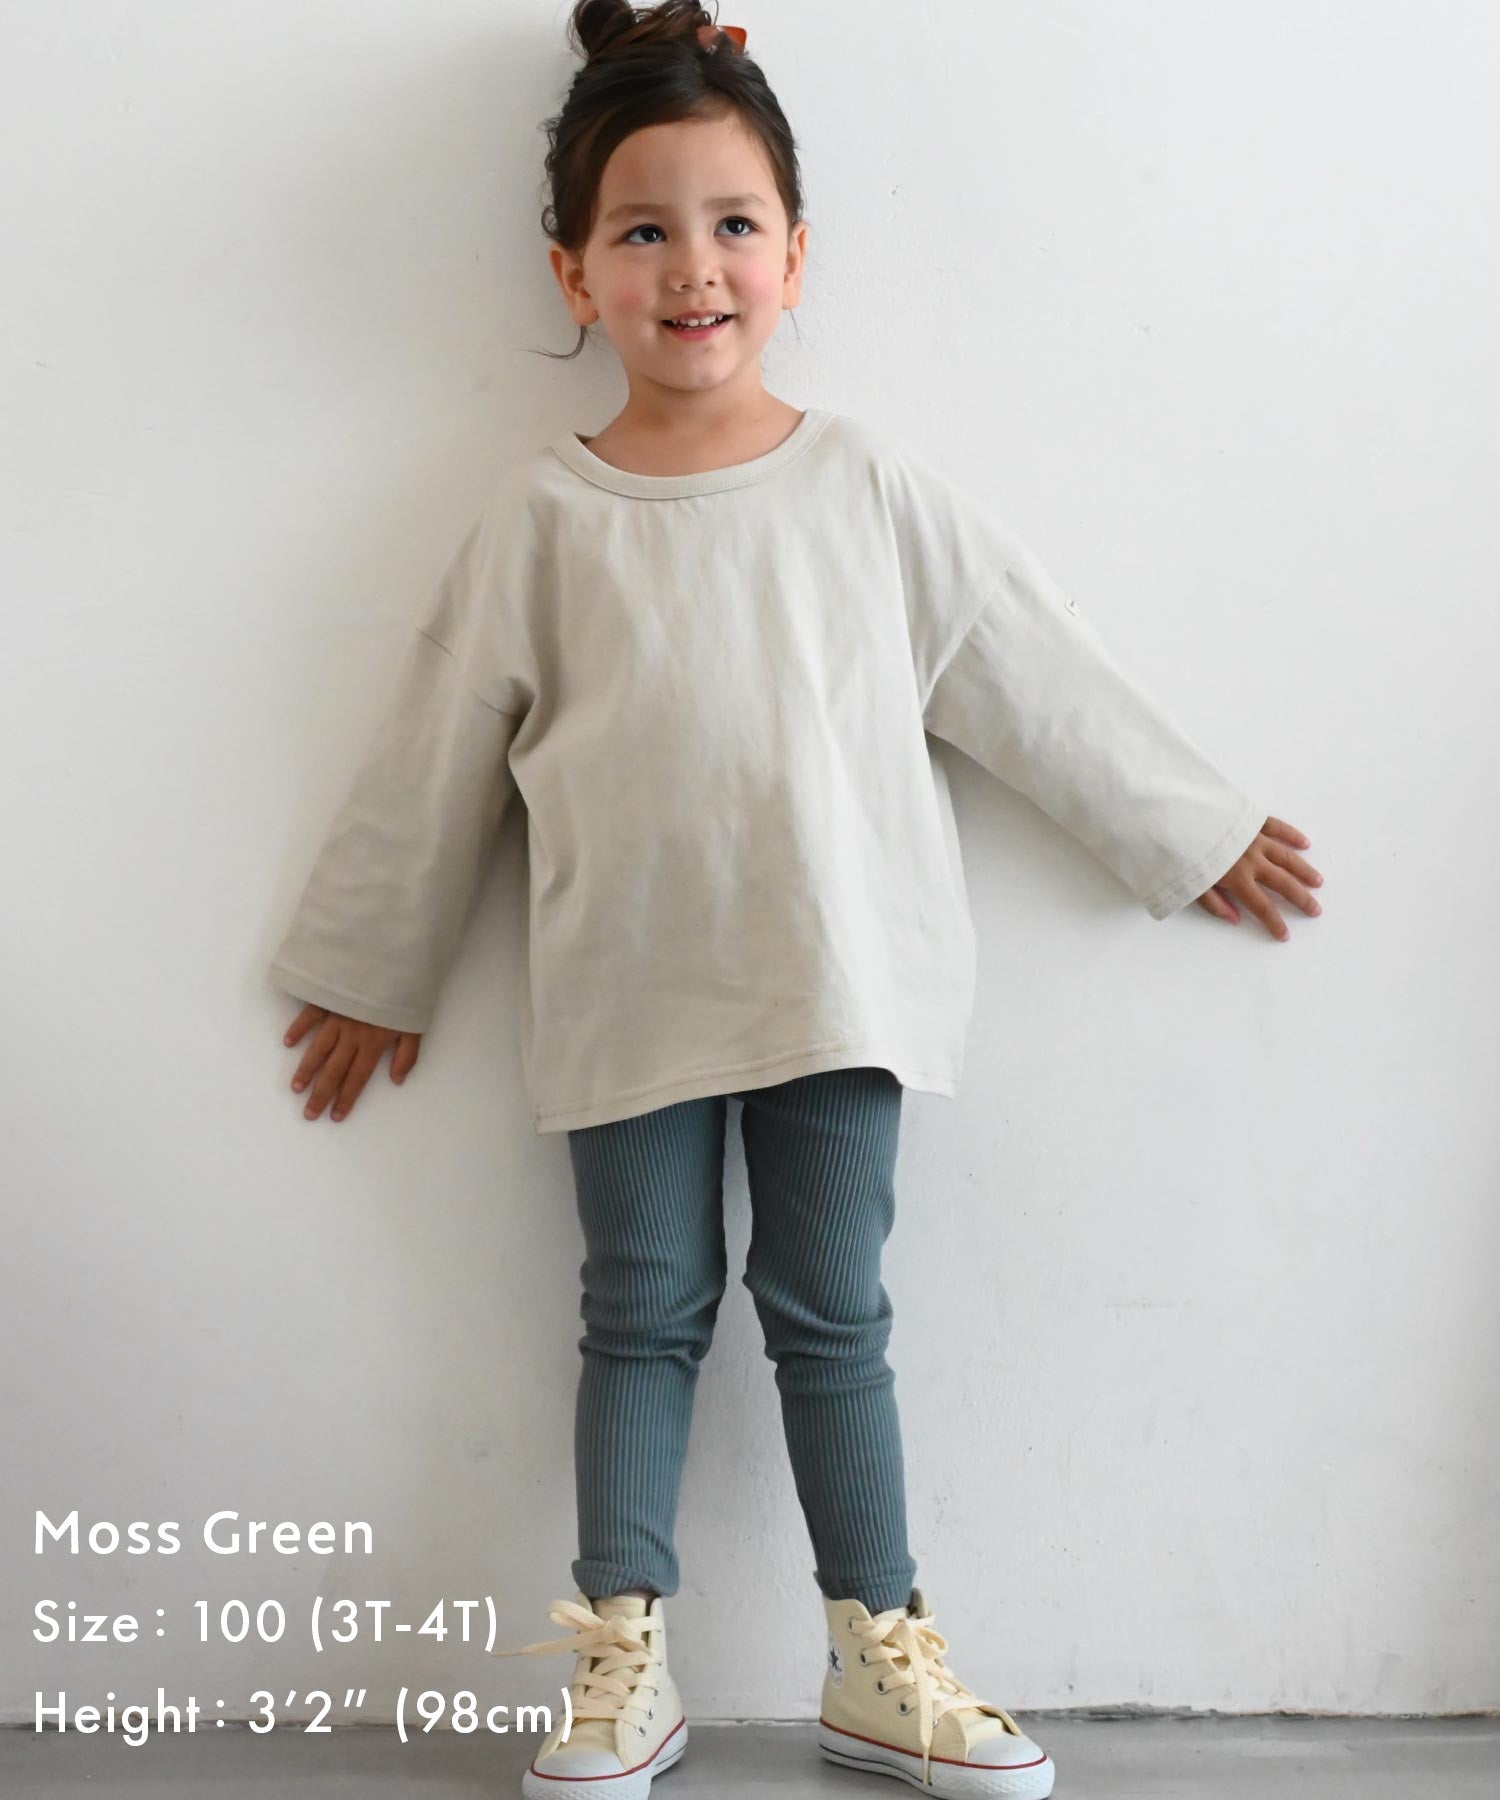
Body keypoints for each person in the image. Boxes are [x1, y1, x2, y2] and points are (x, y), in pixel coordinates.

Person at [267, 4, 1325, 1795]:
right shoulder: (544, 519)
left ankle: (877, 1653)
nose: (695, 267)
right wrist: (377, 958)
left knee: (834, 1314)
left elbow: (1024, 666)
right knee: (640, 1309)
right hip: (627, 995)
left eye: (734, 223)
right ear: (574, 271)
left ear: (797, 254)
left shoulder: (866, 488)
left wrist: (1185, 826)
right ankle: (621, 1652)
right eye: (645, 230)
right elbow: (435, 746)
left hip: (840, 983)